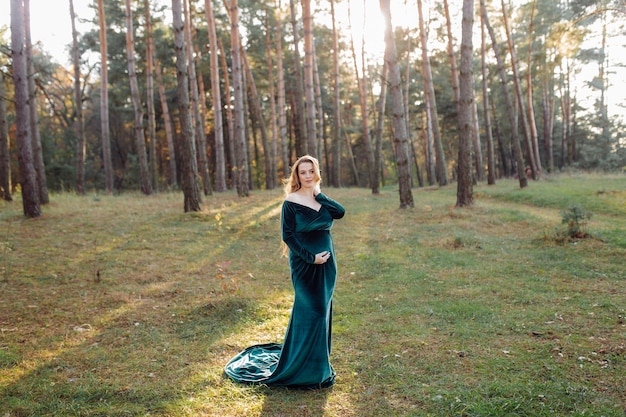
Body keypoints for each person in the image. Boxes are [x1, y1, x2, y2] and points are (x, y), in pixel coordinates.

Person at [224, 155, 345, 389]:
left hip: (327, 266)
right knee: (314, 312)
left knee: (323, 313)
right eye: (303, 172)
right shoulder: (291, 201)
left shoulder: (320, 198)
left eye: (311, 171)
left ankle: (317, 366)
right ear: (297, 176)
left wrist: (319, 194)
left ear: (316, 173)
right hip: (305, 264)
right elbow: (287, 236)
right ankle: (303, 369)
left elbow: (340, 212)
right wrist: (312, 258)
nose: (308, 176)